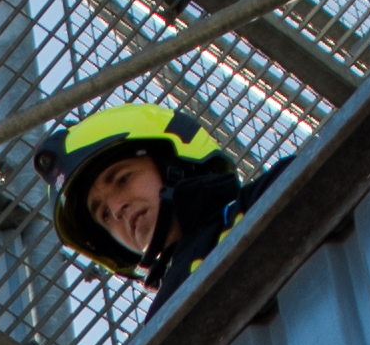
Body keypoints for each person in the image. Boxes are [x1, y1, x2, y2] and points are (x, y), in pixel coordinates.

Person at [49, 100, 254, 304]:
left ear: (172, 162)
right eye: (104, 214)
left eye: (122, 179)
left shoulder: (262, 200)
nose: (116, 210)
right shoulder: (162, 317)